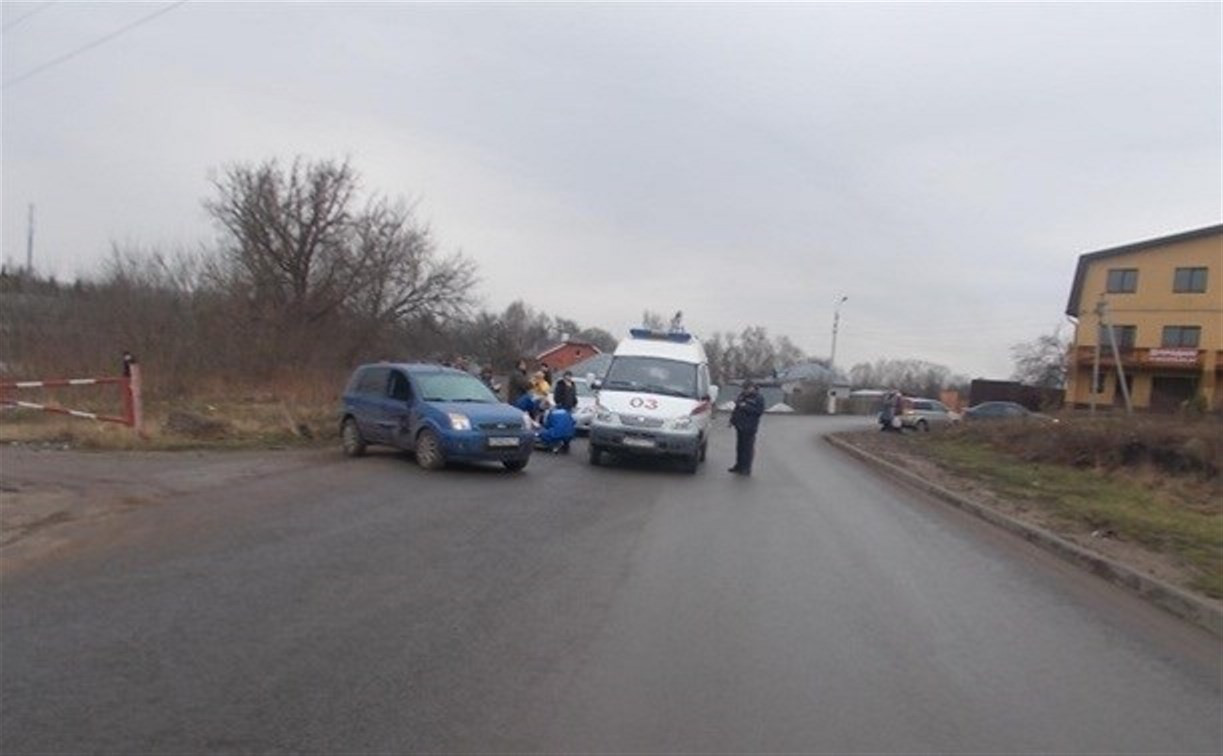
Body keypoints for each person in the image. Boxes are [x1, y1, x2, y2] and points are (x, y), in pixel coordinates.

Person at [728, 380, 765, 475]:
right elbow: (736, 408)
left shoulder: (758, 398)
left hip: (750, 427)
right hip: (740, 425)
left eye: (747, 388)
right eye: (744, 388)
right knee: (740, 447)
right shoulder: (742, 395)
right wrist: (732, 420)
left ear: (752, 387)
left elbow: (759, 411)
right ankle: (738, 466)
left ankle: (746, 468)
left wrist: (745, 406)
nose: (745, 390)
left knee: (747, 448)